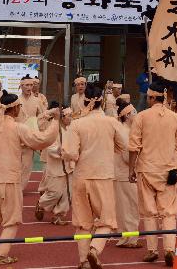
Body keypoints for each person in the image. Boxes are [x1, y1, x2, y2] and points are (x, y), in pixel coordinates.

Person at [0, 90, 60, 265]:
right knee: (12, 219)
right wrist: (56, 122)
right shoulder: (18, 127)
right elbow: (41, 140)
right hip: (10, 177)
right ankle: (2, 254)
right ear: (15, 109)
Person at [62, 83, 126, 269]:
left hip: (81, 176)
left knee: (83, 223)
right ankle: (95, 249)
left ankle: (83, 261)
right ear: (102, 101)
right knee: (107, 220)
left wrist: (65, 152)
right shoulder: (111, 122)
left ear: (84, 101)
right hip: (103, 176)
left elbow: (71, 153)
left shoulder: (76, 123)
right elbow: (124, 145)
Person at [127, 83, 177, 265]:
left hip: (146, 169)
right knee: (168, 212)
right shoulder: (175, 118)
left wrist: (131, 169)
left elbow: (133, 147)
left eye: (148, 96)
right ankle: (169, 248)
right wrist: (169, 155)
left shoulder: (141, 117)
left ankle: (152, 250)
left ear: (152, 98)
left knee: (149, 212)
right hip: (169, 169)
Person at [35, 105, 73, 226]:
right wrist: (60, 150)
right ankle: (42, 203)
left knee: (68, 194)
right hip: (56, 167)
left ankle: (58, 215)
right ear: (62, 117)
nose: (71, 118)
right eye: (69, 116)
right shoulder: (53, 129)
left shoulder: (72, 129)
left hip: (69, 166)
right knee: (55, 193)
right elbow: (50, 146)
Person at [114, 101, 141, 248]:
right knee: (130, 206)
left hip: (122, 174)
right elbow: (127, 157)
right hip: (126, 175)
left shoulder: (126, 130)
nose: (136, 115)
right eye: (134, 112)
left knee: (124, 207)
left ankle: (126, 236)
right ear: (128, 115)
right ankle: (130, 238)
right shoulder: (125, 132)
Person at [17, 77, 44, 190]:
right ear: (21, 86)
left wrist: (41, 135)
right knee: (16, 165)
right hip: (16, 136)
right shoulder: (16, 100)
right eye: (26, 85)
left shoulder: (38, 101)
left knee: (27, 165)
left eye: (31, 85)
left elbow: (42, 118)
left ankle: (20, 189)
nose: (29, 87)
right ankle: (14, 186)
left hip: (30, 136)